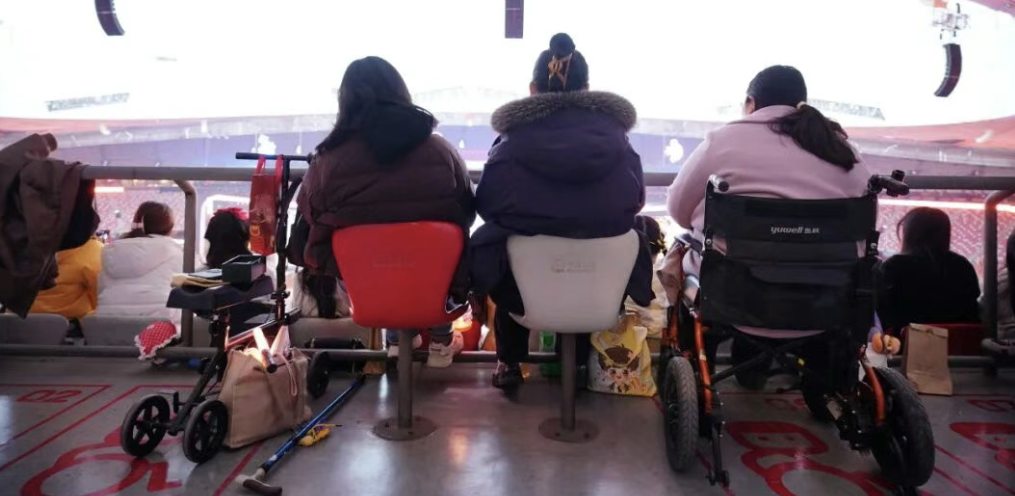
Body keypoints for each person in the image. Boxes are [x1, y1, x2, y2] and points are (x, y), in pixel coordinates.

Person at [666, 65, 871, 391]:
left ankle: (705, 369)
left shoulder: (723, 141)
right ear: (801, 103)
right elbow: (863, 221)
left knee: (687, 252)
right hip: (826, 297)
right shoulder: (842, 149)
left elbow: (678, 210)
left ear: (751, 102)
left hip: (735, 296)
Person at [472, 33, 653, 389]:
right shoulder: (618, 140)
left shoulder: (510, 141)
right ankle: (578, 365)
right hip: (601, 283)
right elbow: (636, 199)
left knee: (503, 248)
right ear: (586, 90)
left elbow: (488, 204)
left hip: (523, 288)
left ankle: (509, 362)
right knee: (605, 247)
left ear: (532, 90)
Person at [297, 56, 475, 368]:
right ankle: (441, 337)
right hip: (435, 280)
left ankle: (395, 340)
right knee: (443, 247)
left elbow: (309, 213)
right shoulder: (440, 149)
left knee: (367, 254)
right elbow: (468, 208)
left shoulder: (327, 160)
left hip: (366, 287)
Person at [878, 207, 981, 334]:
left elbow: (881, 311)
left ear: (909, 233)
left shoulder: (894, 266)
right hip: (958, 343)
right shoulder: (962, 265)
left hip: (905, 343)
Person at [97, 202, 184, 321]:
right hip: (163, 324)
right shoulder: (177, 253)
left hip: (109, 323)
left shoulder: (111, 252)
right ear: (169, 227)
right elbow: (188, 295)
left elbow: (101, 289)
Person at [29, 236, 102, 320]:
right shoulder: (92, 251)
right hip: (72, 324)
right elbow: (101, 303)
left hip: (21, 323)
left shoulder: (20, 247)